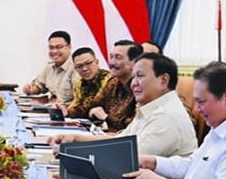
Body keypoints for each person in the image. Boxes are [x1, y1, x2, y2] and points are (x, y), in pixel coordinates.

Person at [49, 53, 197, 159]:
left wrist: (74, 150)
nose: (134, 84)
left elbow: (126, 157)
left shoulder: (166, 116)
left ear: (163, 81)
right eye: (134, 77)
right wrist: (74, 138)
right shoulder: (151, 107)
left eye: (140, 76)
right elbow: (120, 141)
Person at [57, 40, 140, 131]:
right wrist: (67, 112)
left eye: (118, 57)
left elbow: (134, 125)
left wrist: (106, 117)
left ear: (135, 62)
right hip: (108, 136)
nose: (112, 62)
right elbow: (91, 106)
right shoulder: (113, 83)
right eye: (111, 57)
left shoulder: (140, 87)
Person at [22, 30, 77, 103]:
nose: (54, 51)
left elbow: (79, 99)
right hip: (52, 109)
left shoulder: (77, 67)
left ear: (69, 48)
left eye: (59, 47)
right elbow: (39, 86)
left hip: (69, 111)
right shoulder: (49, 67)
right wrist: (30, 89)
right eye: (51, 48)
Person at [65, 47, 111, 115]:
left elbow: (95, 103)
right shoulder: (79, 82)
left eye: (88, 63)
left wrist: (72, 112)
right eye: (79, 66)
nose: (84, 69)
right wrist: (65, 111)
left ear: (97, 62)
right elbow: (77, 103)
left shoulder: (109, 79)